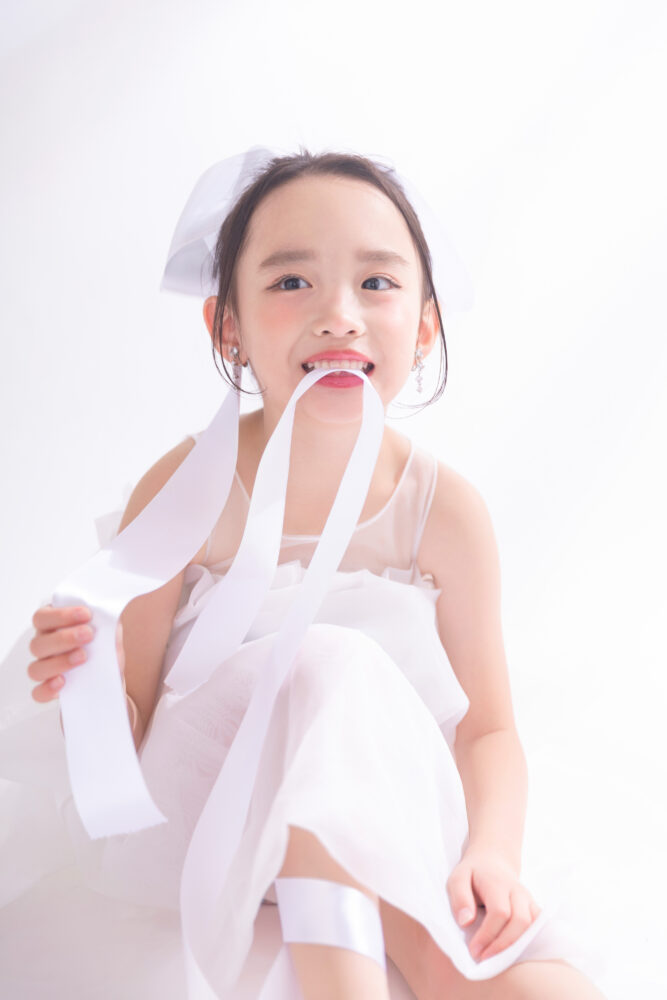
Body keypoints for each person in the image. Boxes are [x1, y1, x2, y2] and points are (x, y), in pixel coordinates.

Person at [2, 148, 605, 999]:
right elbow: (130, 723)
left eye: (376, 283)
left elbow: (487, 730)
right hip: (201, 811)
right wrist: (87, 684)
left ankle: (421, 949)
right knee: (327, 659)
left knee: (546, 986)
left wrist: (490, 854)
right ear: (228, 327)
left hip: (370, 807)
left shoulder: (444, 511)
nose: (338, 316)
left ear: (423, 326)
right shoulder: (191, 488)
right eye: (291, 283)